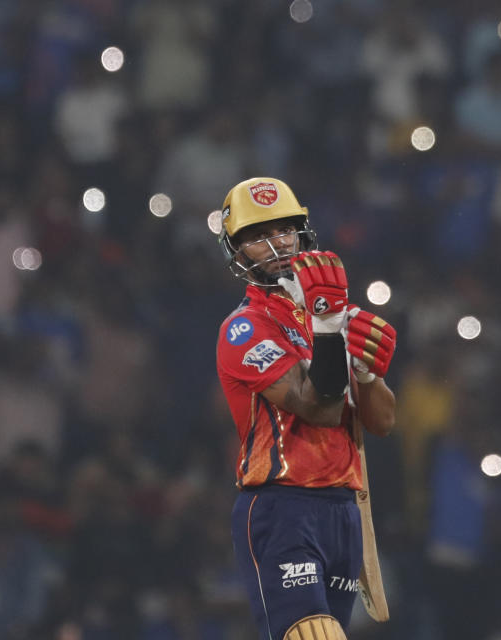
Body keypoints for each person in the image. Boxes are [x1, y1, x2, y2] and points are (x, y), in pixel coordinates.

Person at [214, 177, 397, 639]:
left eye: (283, 231)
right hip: (283, 506)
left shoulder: (333, 313)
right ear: (237, 254)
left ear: (302, 233)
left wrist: (369, 374)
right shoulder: (244, 328)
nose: (275, 246)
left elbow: (383, 421)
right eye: (256, 238)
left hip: (342, 509)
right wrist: (330, 330)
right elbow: (316, 407)